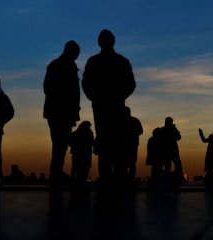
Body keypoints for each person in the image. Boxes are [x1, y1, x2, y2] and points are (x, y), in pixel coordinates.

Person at [82, 30, 136, 184]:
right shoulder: (121, 61)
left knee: (105, 143)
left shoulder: (94, 61)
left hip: (102, 106)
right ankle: (117, 177)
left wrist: (95, 97)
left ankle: (107, 177)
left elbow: (86, 83)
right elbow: (131, 84)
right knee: (115, 142)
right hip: (114, 106)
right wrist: (119, 96)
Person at [43, 40, 81, 185]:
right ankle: (56, 171)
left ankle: (56, 171)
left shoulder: (55, 65)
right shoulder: (66, 66)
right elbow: (49, 88)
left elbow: (47, 88)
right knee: (61, 142)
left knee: (59, 142)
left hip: (58, 111)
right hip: (62, 111)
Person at [121, 107, 144, 183]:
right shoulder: (134, 120)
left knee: (130, 162)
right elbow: (140, 131)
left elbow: (140, 131)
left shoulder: (122, 121)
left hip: (130, 144)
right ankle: (128, 178)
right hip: (129, 144)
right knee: (129, 162)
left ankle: (128, 178)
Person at [159, 117, 184, 183]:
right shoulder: (169, 129)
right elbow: (179, 137)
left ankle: (170, 179)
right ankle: (176, 178)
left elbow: (179, 137)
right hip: (170, 150)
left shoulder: (163, 129)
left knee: (171, 165)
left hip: (169, 150)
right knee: (174, 165)